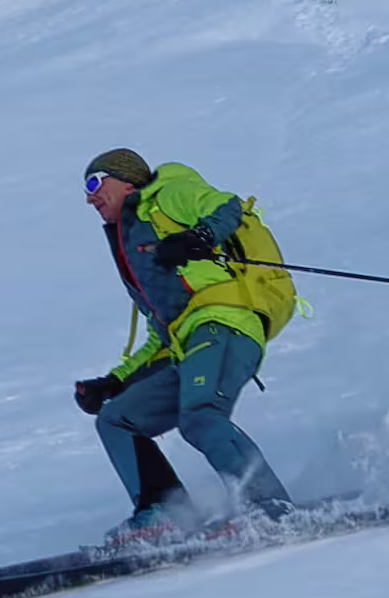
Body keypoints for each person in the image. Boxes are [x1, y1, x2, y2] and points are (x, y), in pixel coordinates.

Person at [70, 147, 295, 538]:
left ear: (125, 178)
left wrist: (199, 236)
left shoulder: (167, 194)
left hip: (226, 320)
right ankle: (164, 513)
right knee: (118, 418)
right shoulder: (132, 247)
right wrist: (114, 382)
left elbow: (228, 206)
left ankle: (268, 507)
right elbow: (163, 334)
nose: (89, 196)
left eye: (95, 183)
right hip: (189, 341)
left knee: (202, 417)